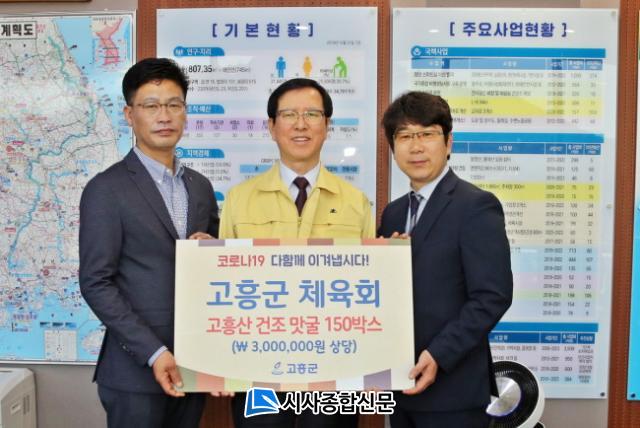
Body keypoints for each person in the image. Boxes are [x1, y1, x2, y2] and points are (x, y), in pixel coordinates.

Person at [220, 77, 373, 427]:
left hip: (335, 370)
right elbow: (223, 287)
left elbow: (369, 291)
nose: (301, 124)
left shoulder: (356, 202)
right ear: (272, 127)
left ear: (327, 126)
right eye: (289, 114)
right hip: (258, 369)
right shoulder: (238, 200)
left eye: (312, 114)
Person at [79, 58, 219, 428]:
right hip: (135, 373)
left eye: (174, 104)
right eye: (151, 105)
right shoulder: (106, 189)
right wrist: (154, 352)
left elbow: (213, 266)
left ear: (185, 113)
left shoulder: (200, 187)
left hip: (193, 367)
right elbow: (95, 282)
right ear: (130, 114)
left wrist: (212, 248)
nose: (165, 116)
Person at [378, 91, 513, 428]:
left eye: (427, 134)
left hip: (453, 392)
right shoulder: (393, 213)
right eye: (405, 136)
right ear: (393, 147)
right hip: (400, 388)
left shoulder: (476, 206)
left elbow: (492, 296)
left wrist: (439, 354)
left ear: (448, 142)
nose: (416, 147)